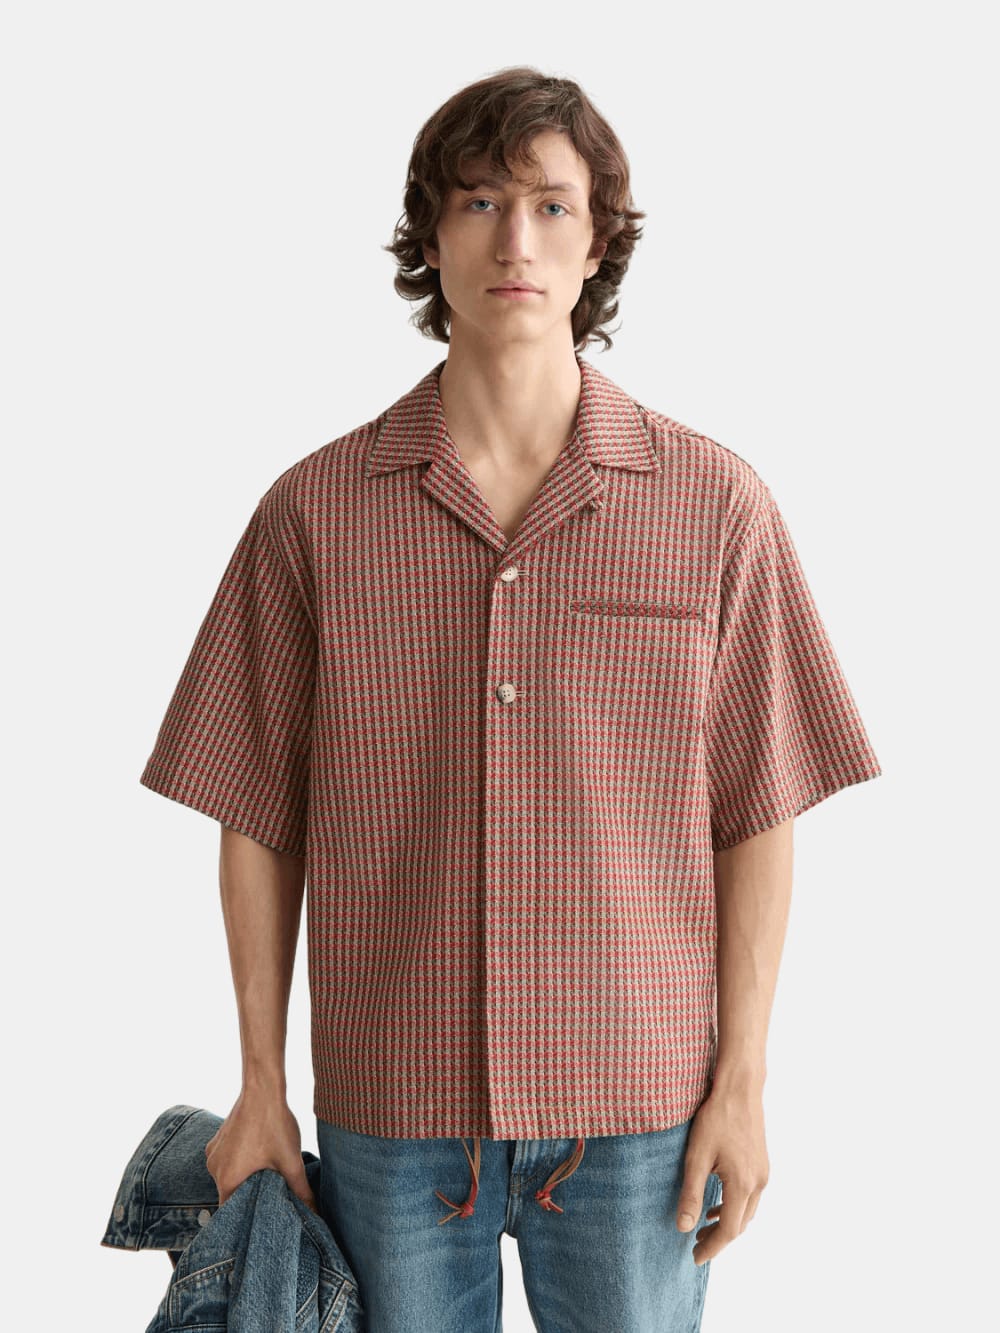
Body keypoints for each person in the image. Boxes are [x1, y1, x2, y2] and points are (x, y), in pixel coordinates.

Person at [139, 66, 882, 1331]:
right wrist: (259, 1081)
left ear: (598, 243)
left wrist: (744, 1082)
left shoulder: (714, 507)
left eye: (550, 206)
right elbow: (255, 810)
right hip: (393, 1107)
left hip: (640, 1110)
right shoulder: (315, 514)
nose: (515, 241)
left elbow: (757, 809)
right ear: (431, 237)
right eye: (479, 202)